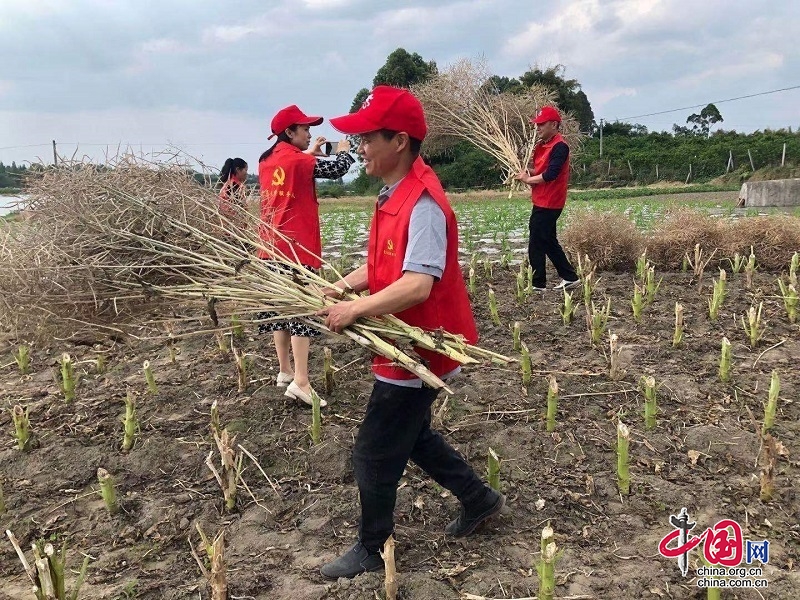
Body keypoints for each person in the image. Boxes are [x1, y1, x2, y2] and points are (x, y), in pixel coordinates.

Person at [316, 85, 504, 580]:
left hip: (420, 343)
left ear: (398, 141)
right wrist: (343, 286)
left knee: (374, 451)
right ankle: (479, 499)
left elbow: (418, 284)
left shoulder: (422, 204)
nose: (360, 148)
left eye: (366, 139)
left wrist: (355, 310)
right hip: (402, 338)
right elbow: (384, 265)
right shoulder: (392, 194)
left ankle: (372, 547)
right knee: (413, 435)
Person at [257, 105, 354, 407]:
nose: (310, 133)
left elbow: (294, 168)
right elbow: (338, 170)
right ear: (290, 132)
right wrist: (345, 150)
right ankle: (301, 381)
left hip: (269, 248)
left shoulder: (267, 160)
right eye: (306, 129)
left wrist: (310, 152)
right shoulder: (299, 161)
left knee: (280, 311)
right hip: (295, 250)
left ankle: (285, 371)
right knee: (302, 311)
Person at [515, 106, 579, 291]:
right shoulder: (542, 145)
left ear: (554, 124)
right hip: (542, 199)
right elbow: (540, 171)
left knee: (536, 240)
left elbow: (551, 174)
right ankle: (569, 277)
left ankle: (538, 284)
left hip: (550, 202)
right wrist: (526, 172)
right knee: (548, 239)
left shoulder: (560, 146)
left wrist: (528, 179)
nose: (538, 128)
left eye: (541, 124)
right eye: (537, 124)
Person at [218, 157, 249, 237]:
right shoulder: (233, 187)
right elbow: (238, 213)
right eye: (245, 170)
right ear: (238, 170)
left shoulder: (228, 184)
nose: (247, 173)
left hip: (227, 230)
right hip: (233, 233)